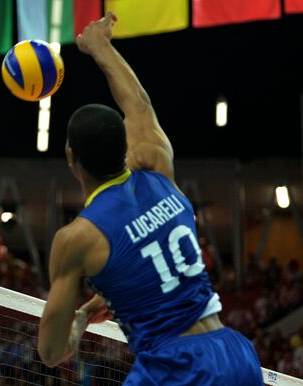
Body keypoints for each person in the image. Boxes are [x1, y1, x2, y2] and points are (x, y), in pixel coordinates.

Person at [37, 12, 263, 385]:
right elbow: (138, 104)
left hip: (174, 369)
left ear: (70, 157)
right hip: (235, 354)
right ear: (125, 146)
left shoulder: (76, 238)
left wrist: (78, 321)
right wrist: (100, 46)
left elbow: (50, 353)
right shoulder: (157, 166)